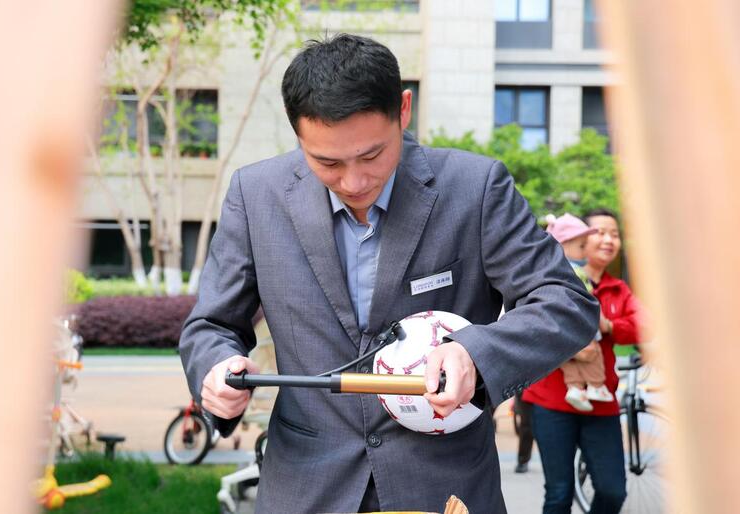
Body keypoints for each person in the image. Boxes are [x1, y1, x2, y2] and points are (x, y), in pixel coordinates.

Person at [179, 34, 599, 514]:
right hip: (305, 487)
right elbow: (211, 325)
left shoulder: (475, 188)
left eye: (372, 155)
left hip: (444, 487)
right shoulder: (256, 195)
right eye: (327, 162)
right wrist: (217, 370)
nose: (354, 182)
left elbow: (566, 302)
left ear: (403, 109)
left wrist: (476, 352)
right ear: (298, 134)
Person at [523, 208, 645, 514]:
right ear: (579, 239)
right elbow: (533, 325)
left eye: (614, 234)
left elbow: (643, 327)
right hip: (551, 402)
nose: (608, 240)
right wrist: (574, 346)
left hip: (601, 405)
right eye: (600, 233)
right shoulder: (551, 279)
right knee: (559, 493)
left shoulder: (618, 289)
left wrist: (609, 326)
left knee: (612, 491)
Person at [546, 213, 614, 412]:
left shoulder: (548, 271)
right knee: (594, 353)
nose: (585, 251)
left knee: (567, 359)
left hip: (558, 328)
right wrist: (602, 320)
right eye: (582, 246)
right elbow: (589, 298)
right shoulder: (576, 271)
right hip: (580, 322)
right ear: (563, 245)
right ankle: (596, 385)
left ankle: (575, 387)